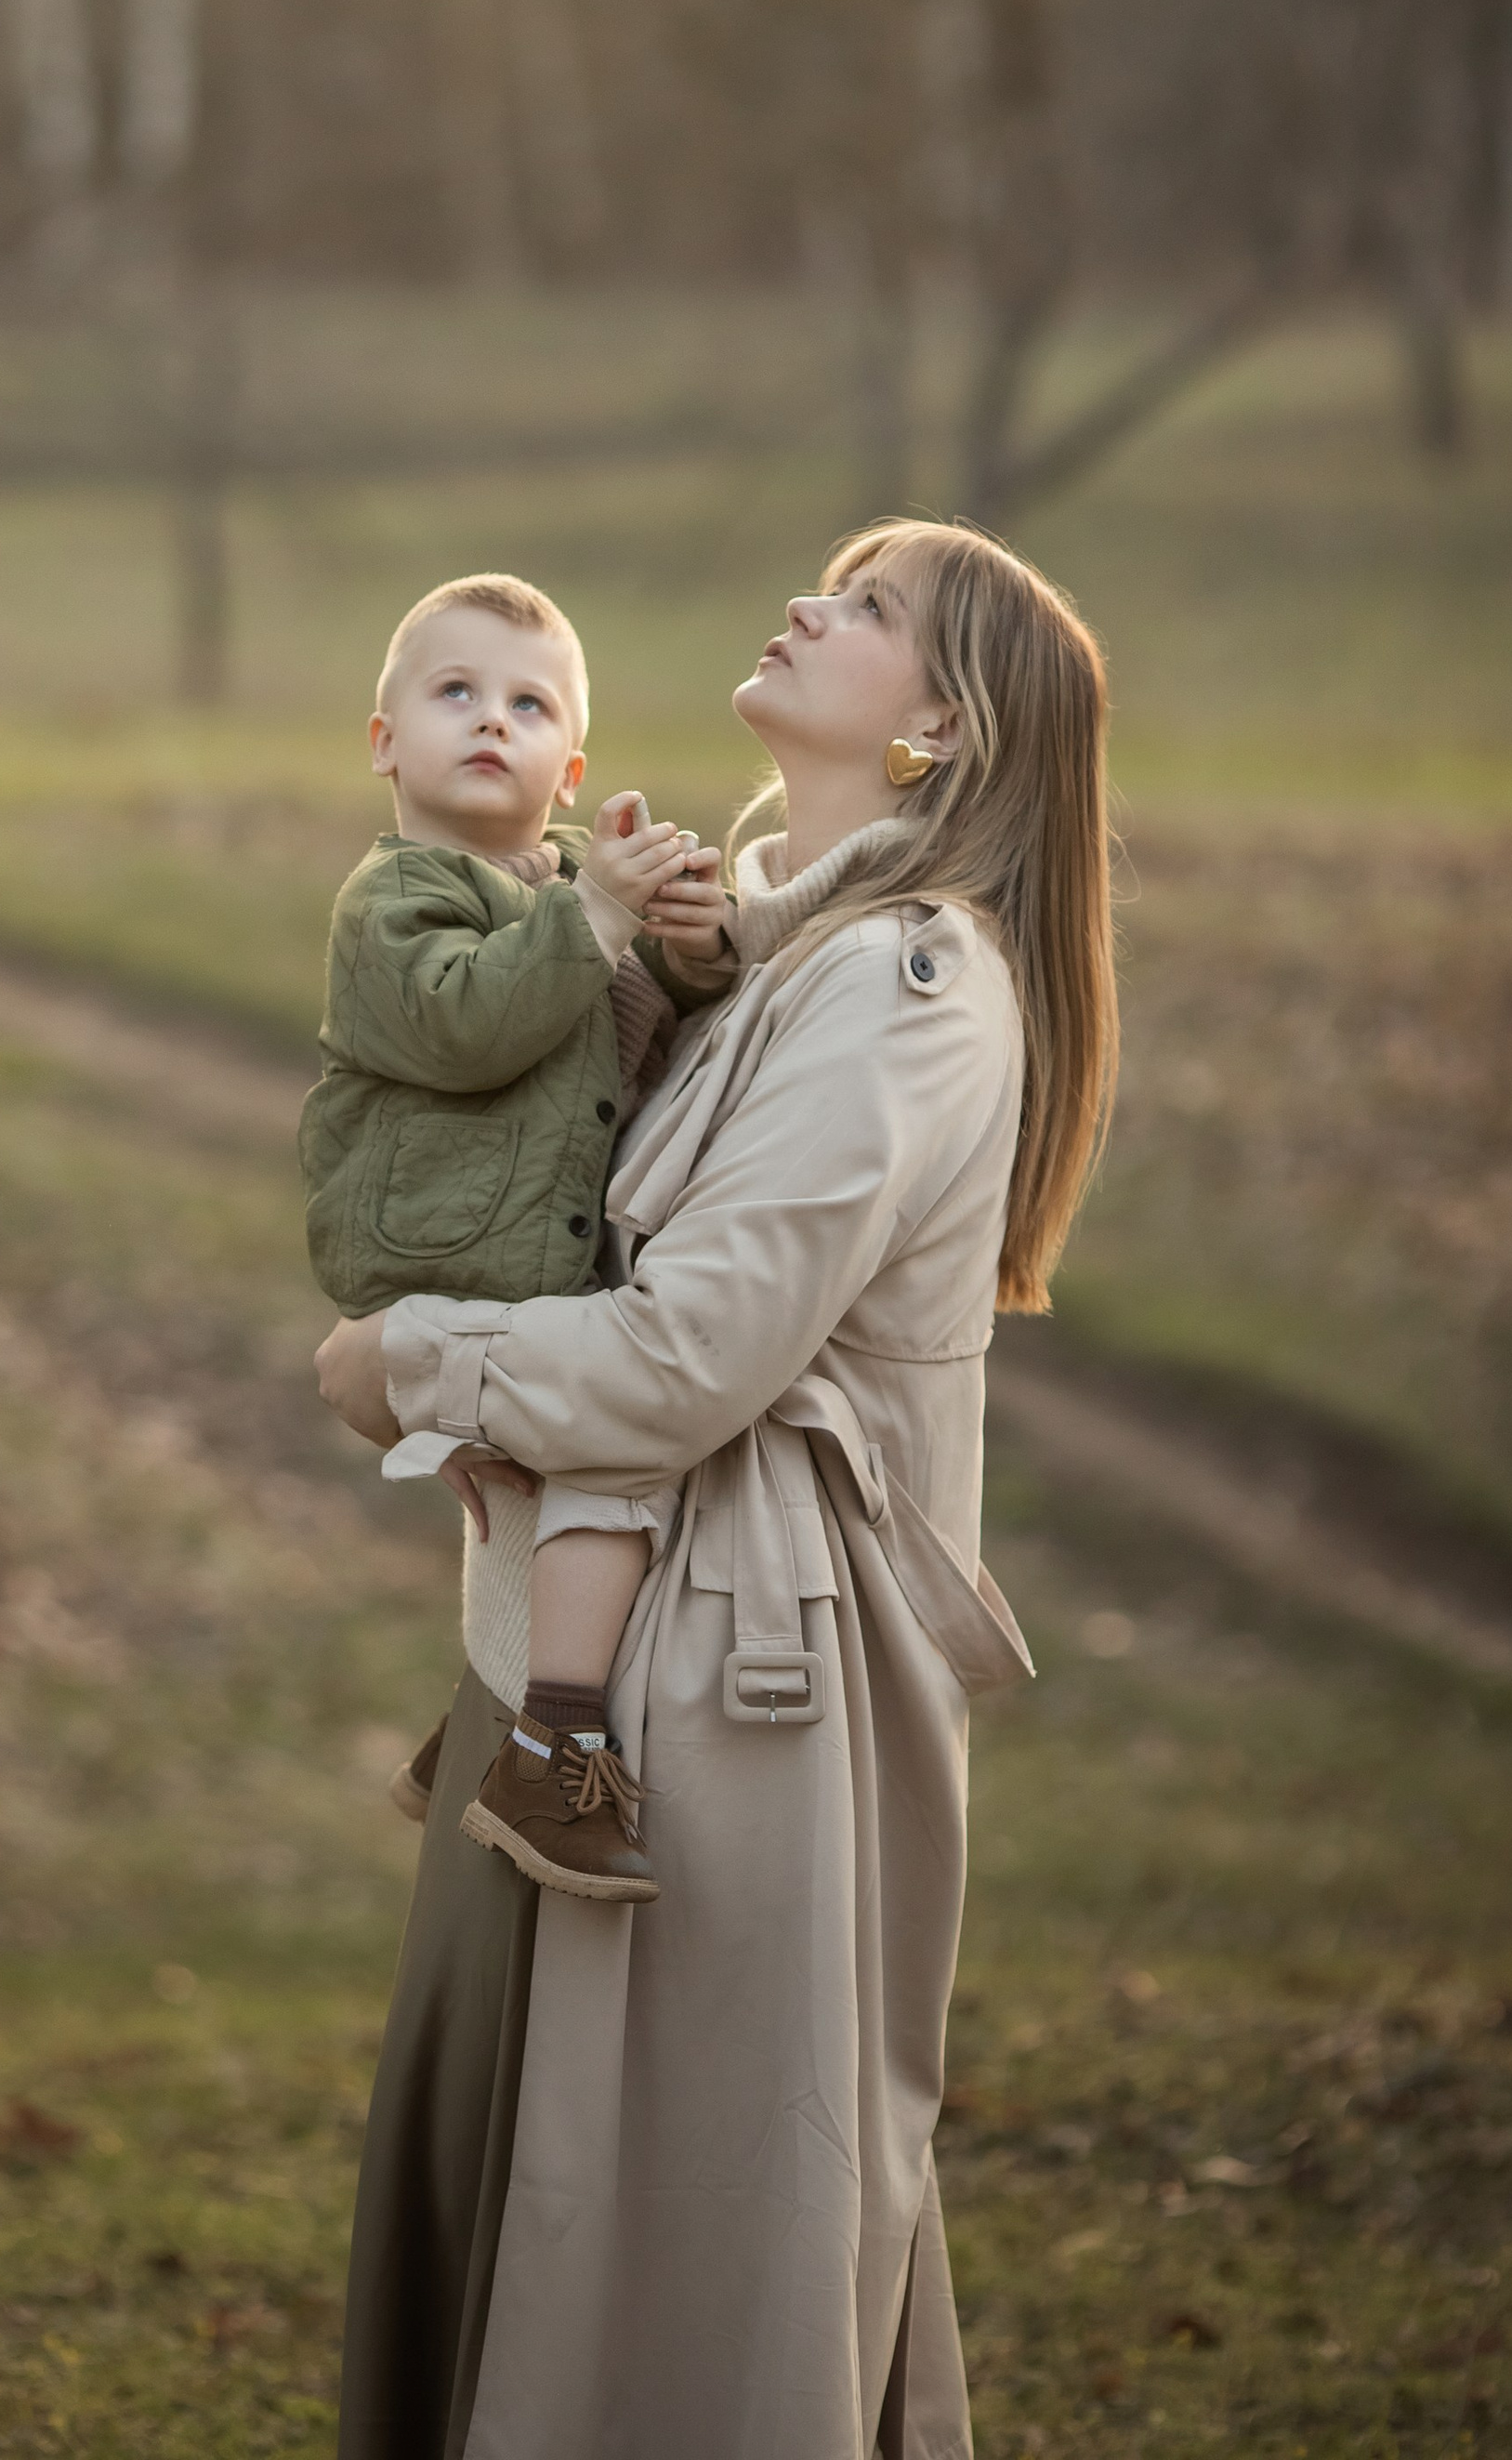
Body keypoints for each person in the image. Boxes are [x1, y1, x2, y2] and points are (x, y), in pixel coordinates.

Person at [316, 519, 1117, 2460]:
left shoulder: (909, 988)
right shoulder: (779, 960)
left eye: (869, 607)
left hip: (730, 1703)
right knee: (525, 2192)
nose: (808, 605)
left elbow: (691, 1351)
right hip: (586, 1646)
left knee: (666, 2254)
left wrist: (403, 1364)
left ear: (941, 724)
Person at [303, 572, 730, 1902]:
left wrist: (689, 947)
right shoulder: (391, 899)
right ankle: (551, 1746)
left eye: (530, 705)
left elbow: (631, 1023)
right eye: (457, 693)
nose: (494, 720)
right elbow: (469, 1024)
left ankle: (490, 1720)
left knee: (548, 1497)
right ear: (386, 743)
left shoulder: (568, 885)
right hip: (443, 1246)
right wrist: (596, 915)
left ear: (571, 766)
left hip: (525, 1248)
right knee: (606, 1461)